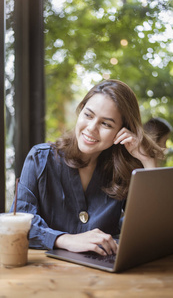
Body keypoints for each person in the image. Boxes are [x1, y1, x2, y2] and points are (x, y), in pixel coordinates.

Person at [11, 79, 163, 257]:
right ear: (80, 111)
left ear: (122, 132)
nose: (91, 128)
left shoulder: (124, 170)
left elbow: (152, 231)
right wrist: (66, 239)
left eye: (106, 124)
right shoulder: (40, 158)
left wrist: (148, 161)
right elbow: (17, 223)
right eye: (88, 115)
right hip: (45, 272)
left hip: (104, 273)